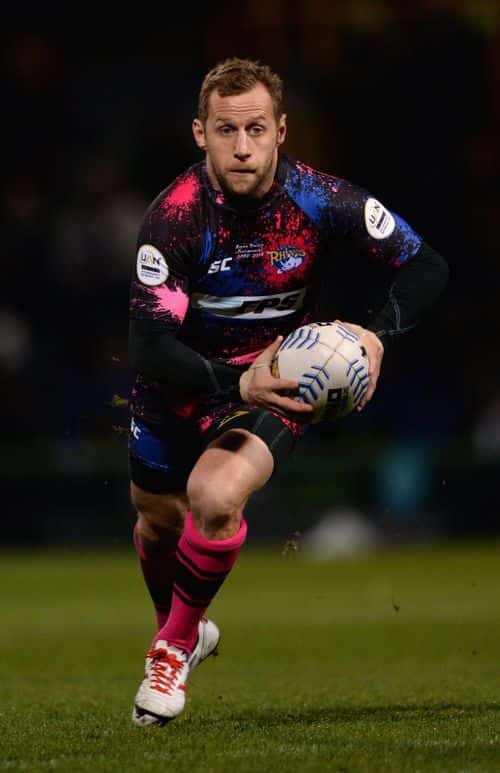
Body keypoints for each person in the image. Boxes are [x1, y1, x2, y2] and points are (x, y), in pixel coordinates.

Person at [127, 57, 449, 726]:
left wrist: (378, 336)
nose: (242, 147)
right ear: (200, 133)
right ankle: (185, 629)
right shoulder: (175, 217)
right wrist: (230, 379)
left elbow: (425, 263)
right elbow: (150, 344)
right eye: (225, 130)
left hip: (272, 386)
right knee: (158, 523)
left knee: (215, 497)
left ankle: (171, 648)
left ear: (280, 130)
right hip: (178, 384)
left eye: (255, 129)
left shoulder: (321, 199)